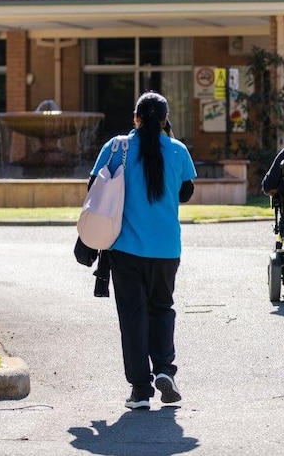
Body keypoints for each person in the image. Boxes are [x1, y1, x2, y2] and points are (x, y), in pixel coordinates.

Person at [88, 91, 196, 411]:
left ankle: (140, 390)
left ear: (135, 118)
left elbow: (93, 187)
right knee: (162, 308)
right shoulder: (177, 150)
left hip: (125, 249)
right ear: (164, 120)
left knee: (133, 318)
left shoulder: (116, 147)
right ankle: (165, 370)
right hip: (166, 249)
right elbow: (186, 193)